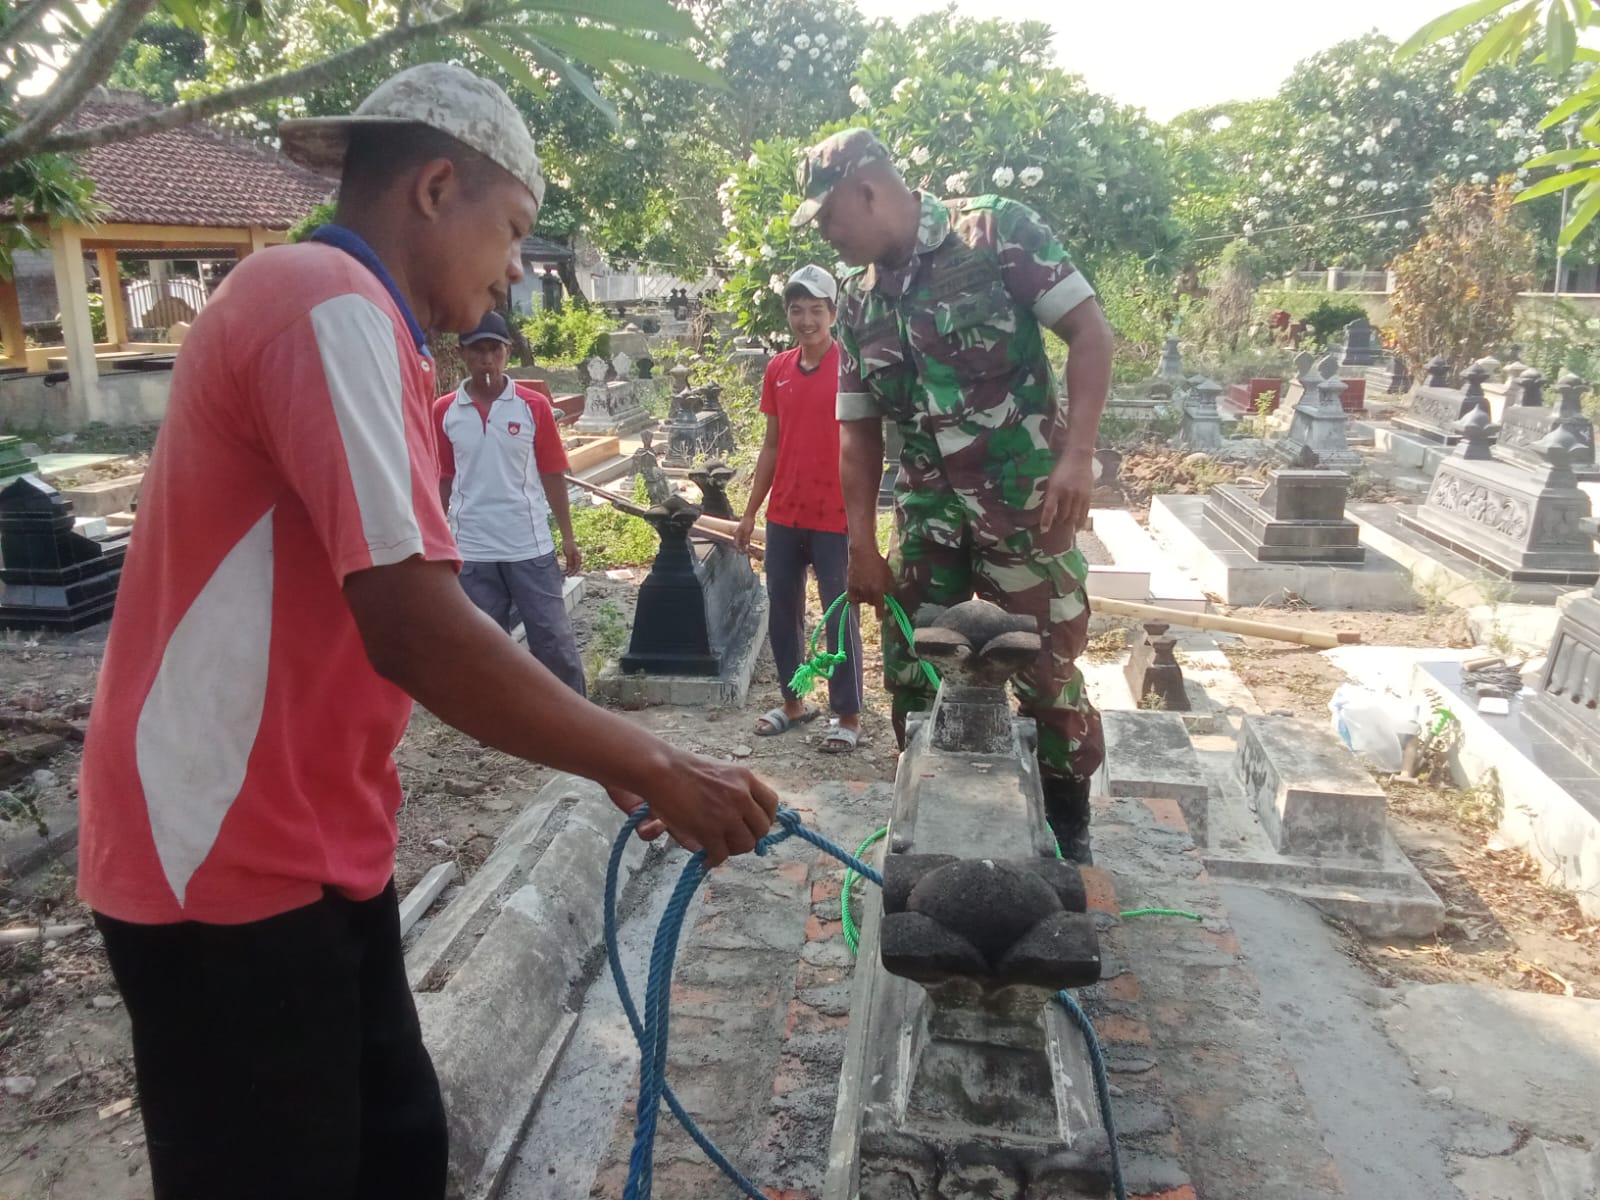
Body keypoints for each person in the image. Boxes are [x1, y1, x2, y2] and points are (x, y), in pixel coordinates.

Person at [74, 63, 777, 1200]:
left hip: (310, 836)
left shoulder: (367, 330)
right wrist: (651, 761)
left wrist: (610, 753)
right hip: (222, 850)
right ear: (438, 188)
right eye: (515, 231)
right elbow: (415, 625)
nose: (515, 271)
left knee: (396, 1152)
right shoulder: (323, 301)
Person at [790, 127, 1111, 862]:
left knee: (1045, 670)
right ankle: (926, 814)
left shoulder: (996, 233)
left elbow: (1090, 333)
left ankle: (1067, 829)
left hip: (1026, 507)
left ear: (867, 191)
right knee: (912, 665)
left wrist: (1079, 456)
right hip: (928, 518)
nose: (829, 236)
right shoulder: (858, 303)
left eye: (830, 217)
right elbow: (857, 434)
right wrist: (861, 544)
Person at [735, 264, 863, 753]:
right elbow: (772, 444)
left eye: (815, 310)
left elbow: (866, 446)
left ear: (832, 313)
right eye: (796, 310)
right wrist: (751, 510)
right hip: (785, 515)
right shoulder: (778, 369)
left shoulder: (851, 367)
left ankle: (847, 714)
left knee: (839, 615)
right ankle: (793, 702)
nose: (806, 320)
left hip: (835, 516)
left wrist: (864, 524)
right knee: (783, 610)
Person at [436, 310, 586, 696]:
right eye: (478, 350)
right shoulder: (445, 411)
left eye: (495, 350)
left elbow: (552, 472)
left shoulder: (532, 406)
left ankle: (570, 718)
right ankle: (497, 719)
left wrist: (568, 536)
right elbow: (444, 477)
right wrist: (437, 541)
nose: (487, 360)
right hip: (473, 549)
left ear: (508, 352)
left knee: (553, 642)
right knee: (483, 648)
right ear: (462, 354)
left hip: (528, 545)